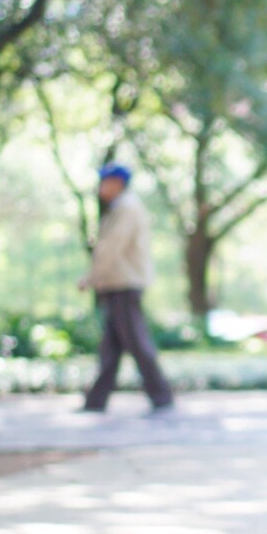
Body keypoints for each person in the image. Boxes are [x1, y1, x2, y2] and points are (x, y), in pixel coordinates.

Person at [78, 162, 174, 415]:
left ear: (117, 183)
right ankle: (95, 401)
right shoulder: (121, 207)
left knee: (137, 343)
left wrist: (91, 277)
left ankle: (161, 396)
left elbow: (112, 248)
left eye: (104, 182)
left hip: (125, 283)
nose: (100, 188)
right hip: (117, 283)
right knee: (111, 348)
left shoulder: (127, 208)